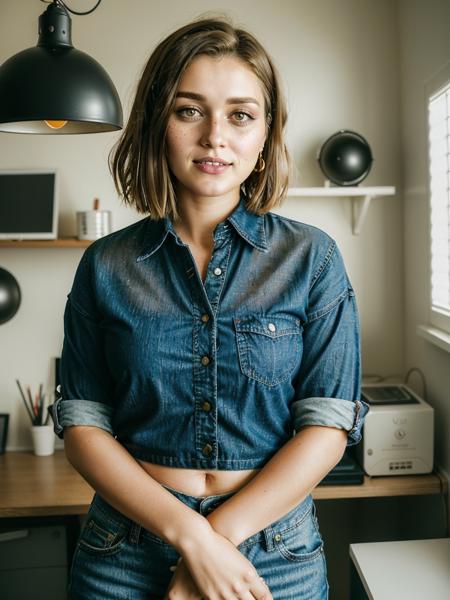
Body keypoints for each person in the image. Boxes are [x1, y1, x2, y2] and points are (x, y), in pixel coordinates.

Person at [51, 16, 368, 600]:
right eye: (189, 110)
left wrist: (219, 536)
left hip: (276, 555)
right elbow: (83, 426)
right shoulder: (106, 265)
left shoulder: (313, 259)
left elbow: (327, 424)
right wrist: (192, 541)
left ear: (266, 132)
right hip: (124, 554)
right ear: (157, 122)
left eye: (241, 115)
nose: (215, 137)